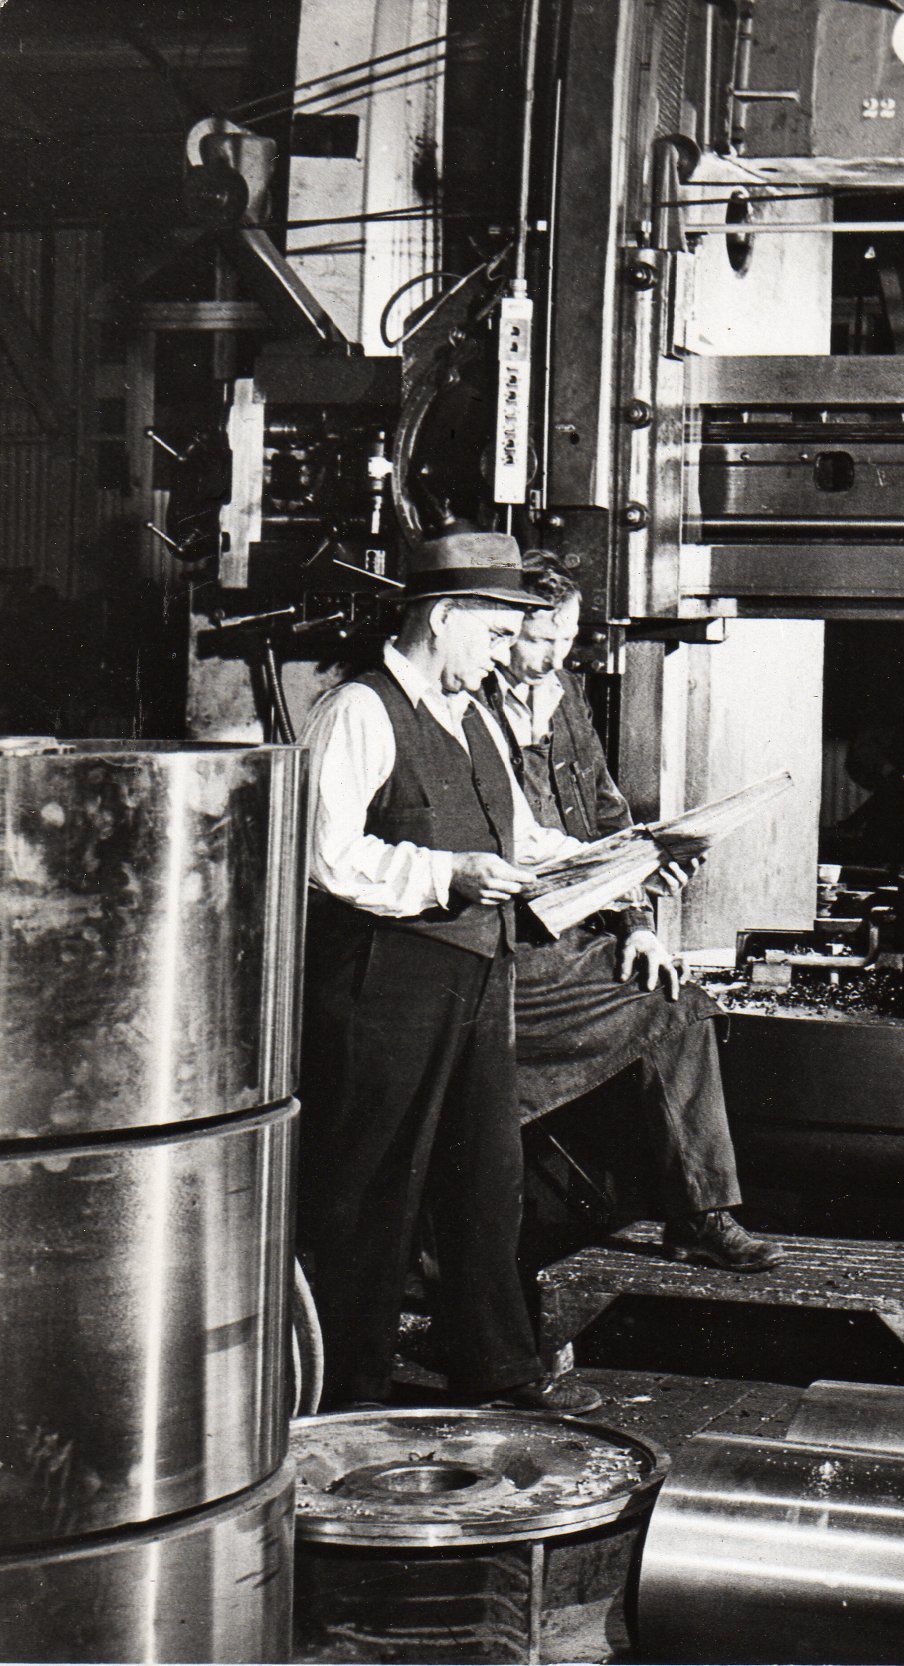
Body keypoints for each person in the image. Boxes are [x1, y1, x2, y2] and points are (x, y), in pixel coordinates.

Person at [297, 529, 605, 1414]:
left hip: (476, 973)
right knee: (371, 1192)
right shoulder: (358, 711)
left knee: (486, 1182)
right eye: (498, 634)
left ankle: (497, 1370)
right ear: (442, 619)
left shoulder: (473, 718)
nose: (508, 653)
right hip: (383, 985)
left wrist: (619, 863)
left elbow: (522, 839)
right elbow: (325, 857)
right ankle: (345, 1396)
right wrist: (447, 875)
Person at [489, 562, 784, 1272]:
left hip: (572, 932)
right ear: (501, 634)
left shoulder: (561, 696)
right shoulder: (470, 708)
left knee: (676, 1001)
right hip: (505, 947)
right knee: (658, 1015)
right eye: (538, 639)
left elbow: (606, 816)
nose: (555, 655)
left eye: (566, 637)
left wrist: (639, 924)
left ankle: (699, 1213)